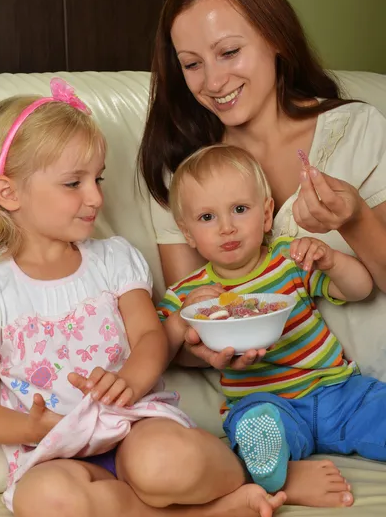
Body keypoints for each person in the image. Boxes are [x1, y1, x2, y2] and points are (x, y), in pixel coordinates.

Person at [138, 0, 386, 507]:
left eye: (230, 52)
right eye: (192, 64)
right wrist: (208, 349)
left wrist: (355, 218)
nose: (215, 82)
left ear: (275, 37)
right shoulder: (182, 172)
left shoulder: (356, 128)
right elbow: (188, 318)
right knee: (258, 430)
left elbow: (370, 282)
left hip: (348, 384)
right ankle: (268, 465)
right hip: (263, 398)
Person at [0, 78, 286, 517]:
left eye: (98, 179)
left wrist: (128, 380)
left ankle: (251, 475)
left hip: (134, 427)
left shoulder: (113, 260)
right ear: (8, 192)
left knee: (164, 464)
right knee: (43, 500)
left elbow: (150, 337)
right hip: (55, 452)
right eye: (74, 183)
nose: (96, 197)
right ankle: (208, 512)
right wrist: (30, 425)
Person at [158, 143, 377, 498]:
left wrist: (331, 261)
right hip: (266, 403)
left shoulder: (288, 258)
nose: (226, 228)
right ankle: (273, 467)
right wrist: (183, 322)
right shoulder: (189, 292)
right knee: (253, 423)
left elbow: (361, 289)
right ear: (187, 234)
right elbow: (156, 350)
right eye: (207, 218)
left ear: (265, 214)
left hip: (338, 391)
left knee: (378, 407)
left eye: (240, 209)